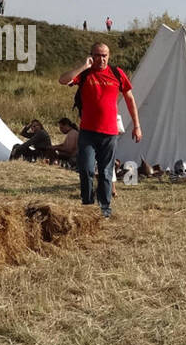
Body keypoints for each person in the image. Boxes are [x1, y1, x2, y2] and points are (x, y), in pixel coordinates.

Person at [59, 43, 141, 218]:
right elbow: (63, 80)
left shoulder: (117, 73)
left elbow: (130, 99)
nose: (102, 59)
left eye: (105, 55)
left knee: (105, 172)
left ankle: (104, 209)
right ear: (92, 56)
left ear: (109, 56)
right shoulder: (85, 74)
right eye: (98, 55)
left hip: (110, 133)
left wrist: (136, 125)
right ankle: (87, 206)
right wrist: (84, 66)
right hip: (88, 132)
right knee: (86, 169)